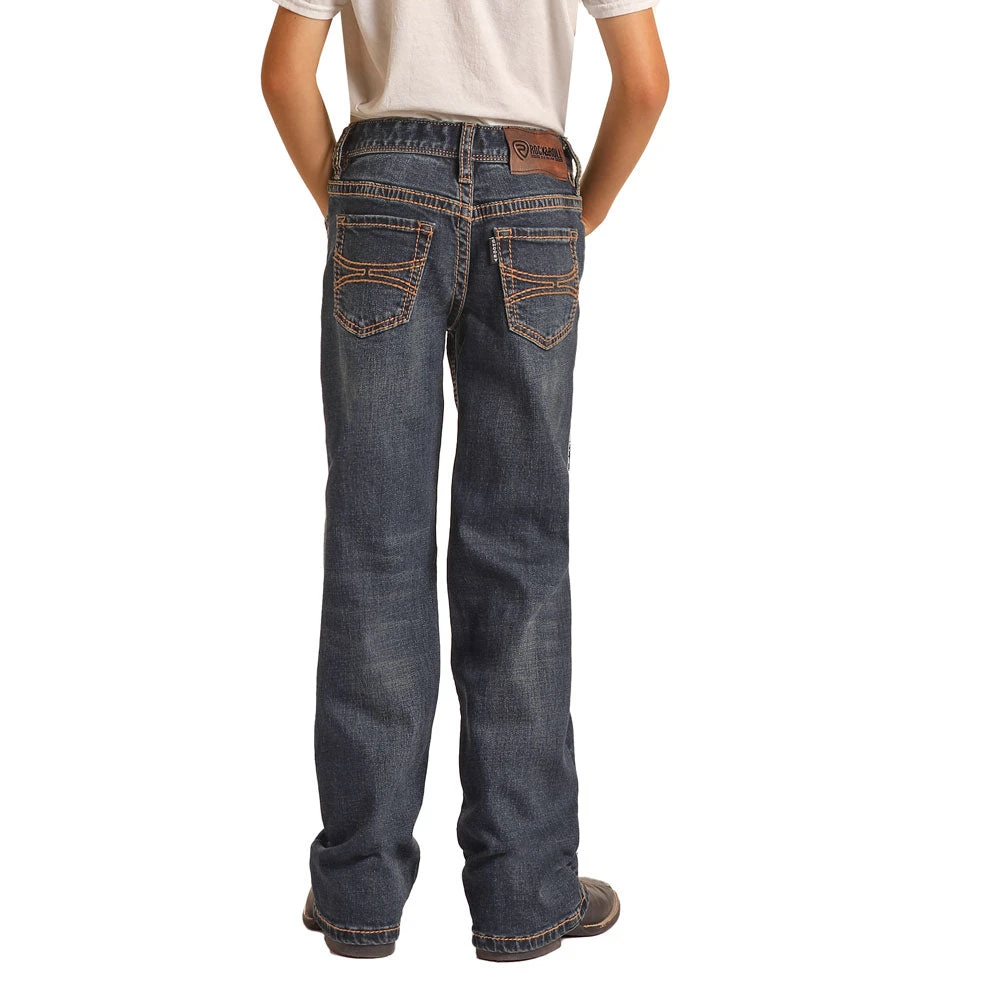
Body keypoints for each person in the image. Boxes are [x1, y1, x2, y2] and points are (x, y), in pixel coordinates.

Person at [261, 0, 668, 962]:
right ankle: (525, 891)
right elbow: (646, 83)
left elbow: (284, 73)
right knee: (519, 552)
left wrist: (355, 204)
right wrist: (579, 215)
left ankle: (359, 890)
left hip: (382, 187)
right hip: (535, 194)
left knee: (374, 549)